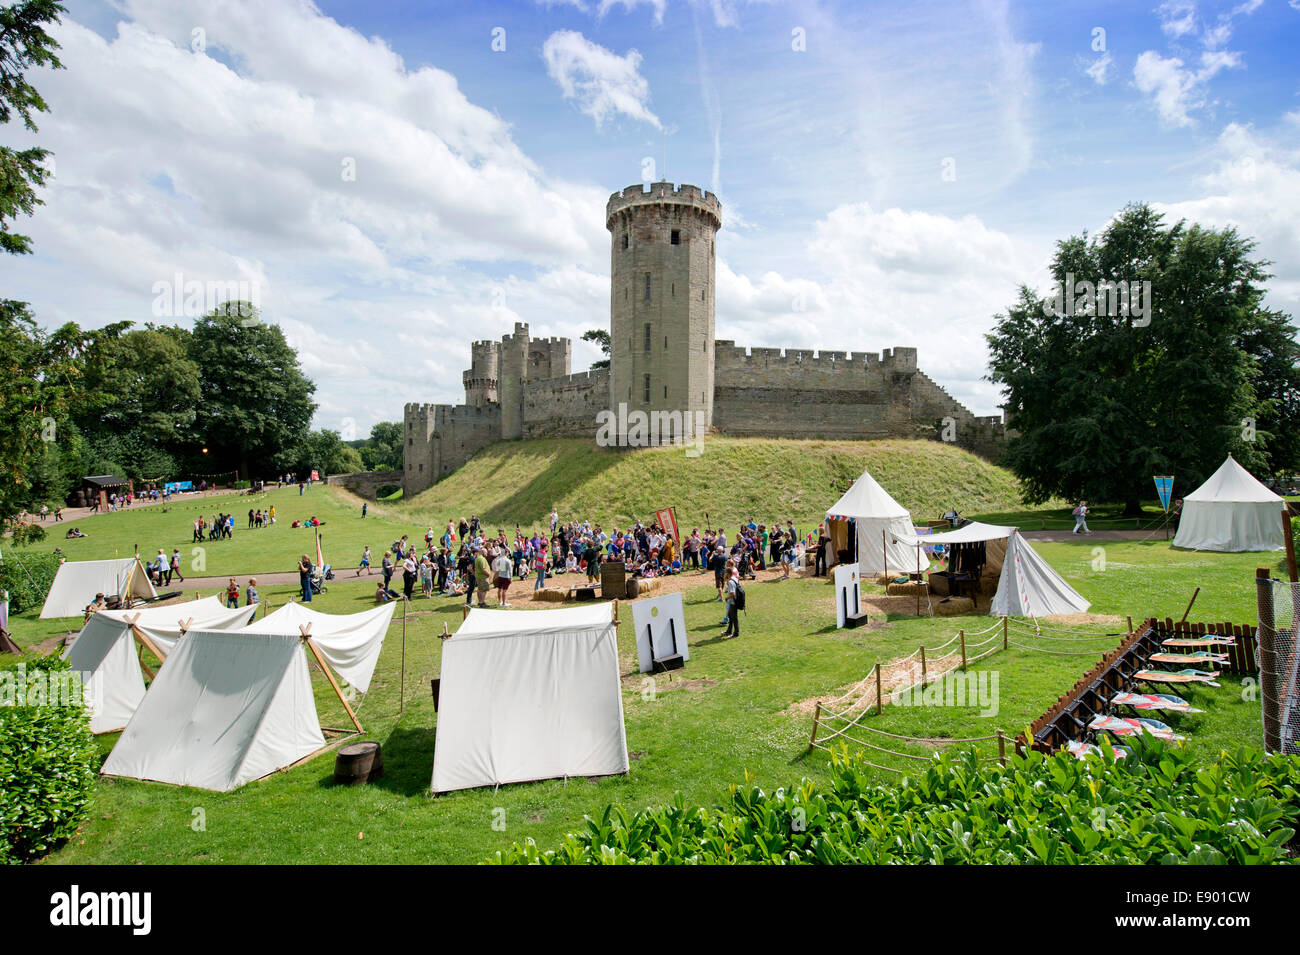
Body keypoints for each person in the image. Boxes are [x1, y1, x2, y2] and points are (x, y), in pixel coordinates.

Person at [722, 561, 741, 638]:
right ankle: (729, 631)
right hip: (733, 601)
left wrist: (727, 598)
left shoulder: (730, 582)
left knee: (734, 618)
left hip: (733, 602)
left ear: (728, 573)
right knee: (730, 616)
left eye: (725, 572)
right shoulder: (734, 578)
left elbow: (733, 593)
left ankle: (736, 633)